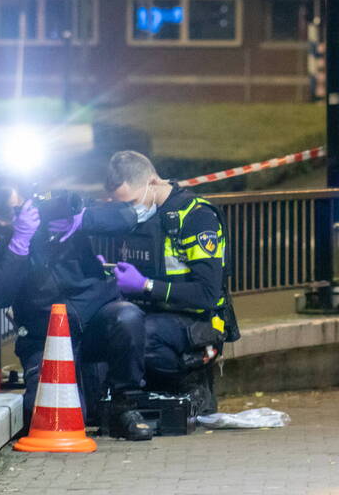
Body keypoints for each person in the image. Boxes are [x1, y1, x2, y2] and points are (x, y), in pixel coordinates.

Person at [0, 177, 152, 441]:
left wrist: (82, 219)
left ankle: (126, 407)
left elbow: (125, 216)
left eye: (27, 203)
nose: (30, 211)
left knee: (127, 317)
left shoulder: (58, 209)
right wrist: (19, 243)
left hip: (95, 319)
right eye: (18, 209)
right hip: (45, 338)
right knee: (51, 418)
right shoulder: (0, 245)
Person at [102, 151, 240, 415]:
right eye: (123, 206)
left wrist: (145, 286)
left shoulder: (196, 217)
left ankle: (190, 385)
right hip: (153, 314)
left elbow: (208, 294)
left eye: (131, 202)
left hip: (196, 322)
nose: (130, 211)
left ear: (152, 182)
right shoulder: (140, 220)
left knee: (140, 335)